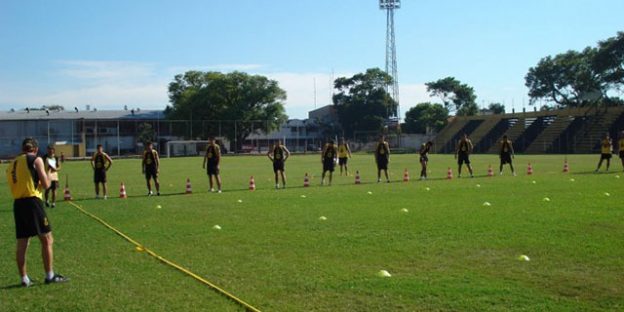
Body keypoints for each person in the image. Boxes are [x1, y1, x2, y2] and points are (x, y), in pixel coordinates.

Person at [6, 138, 68, 287]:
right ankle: (49, 275)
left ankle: (24, 279)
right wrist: (47, 171)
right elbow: (46, 184)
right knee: (47, 239)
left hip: (18, 204)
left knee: (22, 242)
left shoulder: (12, 163)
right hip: (33, 202)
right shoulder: (36, 159)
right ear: (35, 149)